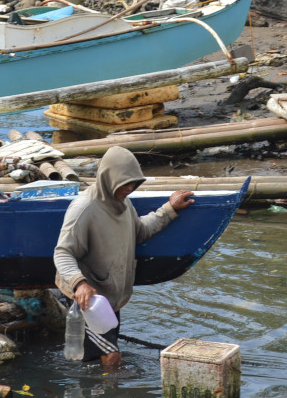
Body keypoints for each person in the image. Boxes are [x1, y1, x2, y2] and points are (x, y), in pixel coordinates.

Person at [53, 146, 194, 367]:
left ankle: (99, 393)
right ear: (109, 179)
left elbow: (140, 232)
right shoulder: (84, 209)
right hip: (90, 301)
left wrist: (169, 210)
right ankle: (112, 396)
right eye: (124, 183)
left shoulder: (123, 202)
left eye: (133, 183)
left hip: (110, 298)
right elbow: (63, 253)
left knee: (93, 361)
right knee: (111, 358)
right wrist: (79, 283)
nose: (129, 188)